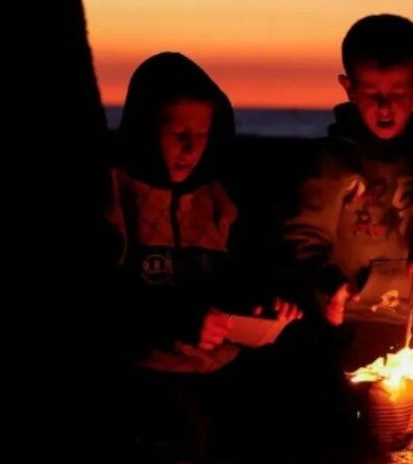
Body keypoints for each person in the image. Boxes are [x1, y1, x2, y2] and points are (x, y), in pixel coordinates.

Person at [277, 14, 413, 448]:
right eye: (372, 93)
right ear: (347, 87)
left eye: (399, 93)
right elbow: (302, 240)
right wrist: (326, 284)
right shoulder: (332, 164)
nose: (385, 106)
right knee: (364, 419)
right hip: (363, 323)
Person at [107, 52, 301, 461]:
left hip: (223, 377)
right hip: (144, 381)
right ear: (144, 127)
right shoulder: (113, 196)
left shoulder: (219, 201)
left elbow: (236, 277)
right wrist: (177, 322)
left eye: (202, 134)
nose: (191, 147)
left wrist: (262, 306)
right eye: (178, 132)